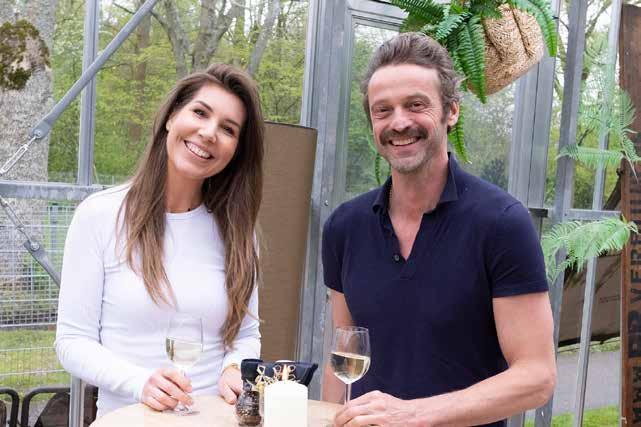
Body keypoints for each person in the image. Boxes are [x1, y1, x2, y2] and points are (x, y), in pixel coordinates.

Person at [321, 32, 556, 426]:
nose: (399, 122)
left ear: (452, 111)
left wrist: (412, 414)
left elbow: (537, 376)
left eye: (416, 105)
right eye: (383, 110)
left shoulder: (502, 224)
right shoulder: (344, 227)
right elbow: (343, 356)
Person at [55, 63, 264, 417]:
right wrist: (140, 383)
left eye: (228, 129)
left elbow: (246, 335)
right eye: (200, 113)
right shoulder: (100, 215)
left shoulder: (238, 232)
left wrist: (233, 367)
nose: (209, 132)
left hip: (214, 419)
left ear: (236, 151)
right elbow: (72, 342)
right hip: (128, 420)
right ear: (170, 117)